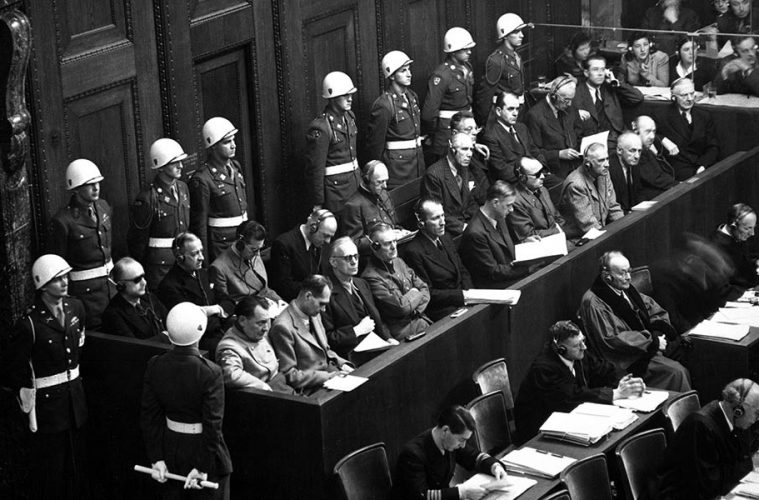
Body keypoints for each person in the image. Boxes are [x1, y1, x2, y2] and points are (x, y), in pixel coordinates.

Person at [4, 255, 87, 499]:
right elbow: (15, 368)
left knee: (77, 468)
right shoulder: (29, 324)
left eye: (65, 277)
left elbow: (79, 346)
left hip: (75, 402)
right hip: (49, 410)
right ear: (42, 285)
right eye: (57, 279)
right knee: (53, 472)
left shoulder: (76, 307)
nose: (64, 282)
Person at [140, 302, 233, 499]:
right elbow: (213, 424)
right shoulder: (211, 372)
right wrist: (202, 466)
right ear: (200, 332)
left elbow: (149, 416)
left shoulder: (155, 365)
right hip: (204, 454)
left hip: (170, 451)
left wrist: (157, 458)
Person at [514, 320, 645, 444]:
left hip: (569, 421)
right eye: (577, 345)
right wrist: (615, 394)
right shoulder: (544, 368)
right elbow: (571, 397)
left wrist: (627, 383)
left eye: (583, 341)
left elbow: (605, 369)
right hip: (536, 432)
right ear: (561, 349)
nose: (584, 347)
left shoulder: (578, 354)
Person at [578, 251, 692, 392]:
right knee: (677, 373)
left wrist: (658, 332)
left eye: (629, 271)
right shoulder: (594, 302)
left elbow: (653, 309)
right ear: (607, 276)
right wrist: (652, 342)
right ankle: (679, 405)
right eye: (622, 273)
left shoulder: (624, 289)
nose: (628, 277)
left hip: (645, 346)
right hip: (626, 360)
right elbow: (613, 339)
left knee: (693, 354)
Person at [655, 378, 759, 499]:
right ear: (738, 411)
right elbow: (710, 483)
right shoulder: (701, 426)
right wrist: (749, 464)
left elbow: (741, 456)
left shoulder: (736, 422)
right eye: (757, 413)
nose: (757, 419)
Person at [47, 159, 113, 328]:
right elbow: (58, 265)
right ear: (76, 189)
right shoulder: (63, 221)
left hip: (110, 287)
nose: (96, 188)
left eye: (97, 182)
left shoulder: (103, 207)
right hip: (86, 295)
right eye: (89, 184)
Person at [395, 405, 509, 500]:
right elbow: (422, 496)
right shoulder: (412, 454)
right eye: (461, 440)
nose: (463, 445)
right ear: (445, 430)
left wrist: (495, 466)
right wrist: (462, 492)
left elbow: (474, 457)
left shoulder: (450, 442)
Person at [269, 274, 353, 394]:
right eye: (321, 304)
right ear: (308, 296)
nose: (324, 309)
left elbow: (326, 351)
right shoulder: (282, 327)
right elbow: (290, 375)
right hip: (312, 389)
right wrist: (329, 377)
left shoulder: (314, 313)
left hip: (332, 375)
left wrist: (342, 364)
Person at [128, 138, 191, 290]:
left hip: (184, 260)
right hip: (160, 267)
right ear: (161, 166)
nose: (180, 166)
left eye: (180, 161)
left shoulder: (183, 188)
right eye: (174, 162)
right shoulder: (148, 197)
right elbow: (138, 242)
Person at [157, 233, 233, 354]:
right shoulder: (169, 286)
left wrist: (215, 309)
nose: (201, 257)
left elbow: (228, 301)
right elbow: (190, 322)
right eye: (195, 254)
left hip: (220, 328)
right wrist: (218, 312)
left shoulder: (203, 273)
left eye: (201, 251)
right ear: (180, 258)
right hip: (200, 341)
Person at [402, 199, 474, 321]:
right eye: (436, 218)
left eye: (442, 216)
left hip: (464, 297)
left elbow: (462, 270)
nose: (443, 222)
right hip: (444, 308)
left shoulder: (445, 237)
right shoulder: (413, 251)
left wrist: (470, 292)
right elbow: (428, 292)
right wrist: (462, 296)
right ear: (421, 223)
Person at [189, 117, 248, 263]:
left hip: (243, 238)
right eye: (227, 142)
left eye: (233, 140)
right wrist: (204, 260)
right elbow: (200, 225)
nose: (233, 145)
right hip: (221, 245)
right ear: (213, 146)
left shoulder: (235, 167)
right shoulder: (202, 178)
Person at [323, 237, 392, 359]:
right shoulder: (326, 294)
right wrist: (357, 330)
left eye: (356, 256)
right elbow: (329, 338)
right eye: (348, 258)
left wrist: (388, 338)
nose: (354, 262)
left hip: (379, 346)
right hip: (353, 356)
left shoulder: (362, 283)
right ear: (333, 262)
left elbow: (378, 318)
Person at [304, 71, 360, 216]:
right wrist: (318, 202)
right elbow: (315, 170)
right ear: (333, 97)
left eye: (350, 94)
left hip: (354, 186)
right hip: (336, 194)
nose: (350, 98)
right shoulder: (321, 127)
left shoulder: (349, 118)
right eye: (345, 95)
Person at [362, 222, 432, 339]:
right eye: (387, 243)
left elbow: (424, 288)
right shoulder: (371, 277)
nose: (394, 246)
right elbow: (400, 308)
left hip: (421, 320)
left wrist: (413, 309)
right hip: (403, 333)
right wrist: (414, 292)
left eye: (394, 241)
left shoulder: (398, 261)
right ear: (375, 247)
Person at [366, 50, 424, 190]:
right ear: (391, 75)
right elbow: (375, 145)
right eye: (403, 71)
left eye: (409, 69)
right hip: (398, 172)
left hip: (417, 166)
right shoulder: (384, 104)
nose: (409, 74)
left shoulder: (412, 97)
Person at [215, 296, 293, 393]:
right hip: (266, 394)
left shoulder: (254, 332)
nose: (266, 328)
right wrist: (262, 386)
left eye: (267, 321)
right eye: (261, 323)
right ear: (242, 320)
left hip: (283, 383)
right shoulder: (229, 346)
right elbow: (232, 375)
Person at [460, 180, 530, 288]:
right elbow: (492, 272)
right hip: (495, 286)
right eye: (509, 205)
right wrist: (527, 269)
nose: (511, 210)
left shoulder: (500, 217)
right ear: (495, 203)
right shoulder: (475, 233)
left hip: (509, 275)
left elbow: (508, 249)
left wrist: (525, 243)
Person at [524, 75, 584, 200]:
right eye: (566, 100)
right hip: (555, 170)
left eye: (571, 99)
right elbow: (534, 152)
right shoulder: (535, 115)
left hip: (576, 164)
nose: (570, 104)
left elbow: (580, 133)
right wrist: (559, 154)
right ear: (554, 96)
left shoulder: (569, 107)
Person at [422, 27, 476, 162]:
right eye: (465, 49)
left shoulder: (467, 67)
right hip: (447, 132)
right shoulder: (442, 75)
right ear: (453, 51)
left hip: (467, 129)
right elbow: (429, 113)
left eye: (469, 48)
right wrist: (435, 133)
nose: (469, 52)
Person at [655, 78, 720, 181]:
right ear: (674, 97)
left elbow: (713, 147)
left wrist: (703, 166)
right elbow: (646, 135)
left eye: (692, 93)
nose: (689, 99)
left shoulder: (704, 116)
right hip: (677, 170)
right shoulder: (661, 115)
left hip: (703, 166)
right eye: (684, 95)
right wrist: (663, 140)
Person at [573, 55, 644, 147]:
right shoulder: (576, 93)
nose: (600, 73)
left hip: (617, 137)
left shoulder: (611, 88)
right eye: (595, 69)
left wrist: (616, 83)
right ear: (586, 73)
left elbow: (637, 98)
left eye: (602, 69)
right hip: (593, 142)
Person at [422, 132, 485, 236]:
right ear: (451, 149)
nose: (469, 154)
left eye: (471, 149)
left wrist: (481, 220)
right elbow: (436, 213)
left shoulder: (463, 168)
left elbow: (470, 202)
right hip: (447, 229)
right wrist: (464, 227)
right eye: (464, 149)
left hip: (467, 223)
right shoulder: (433, 175)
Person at [209, 220, 283, 309]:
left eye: (259, 249)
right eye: (254, 249)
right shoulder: (219, 268)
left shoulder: (254, 251)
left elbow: (265, 289)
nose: (257, 254)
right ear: (240, 245)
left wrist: (281, 302)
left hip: (269, 302)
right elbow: (226, 305)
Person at [270, 208, 338, 301]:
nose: (328, 241)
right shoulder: (284, 244)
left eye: (330, 237)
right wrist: (316, 288)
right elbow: (284, 287)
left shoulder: (317, 243)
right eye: (326, 235)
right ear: (313, 227)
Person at [559, 142, 624, 238]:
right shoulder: (576, 184)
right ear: (588, 164)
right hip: (579, 238)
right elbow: (589, 225)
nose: (607, 164)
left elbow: (613, 207)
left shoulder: (604, 173)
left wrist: (624, 226)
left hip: (599, 230)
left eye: (607, 159)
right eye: (601, 161)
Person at [475, 12, 529, 124]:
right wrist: (485, 123)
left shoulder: (516, 56)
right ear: (505, 35)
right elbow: (485, 95)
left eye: (521, 31)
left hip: (519, 112)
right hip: (503, 116)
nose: (522, 35)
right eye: (516, 32)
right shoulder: (496, 60)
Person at [481, 91, 546, 184]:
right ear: (498, 111)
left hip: (536, 176)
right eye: (510, 109)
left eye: (517, 109)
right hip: (516, 183)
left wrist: (540, 171)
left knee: (561, 184)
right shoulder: (491, 136)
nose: (515, 113)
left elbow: (535, 152)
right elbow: (501, 170)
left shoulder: (522, 128)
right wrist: (530, 177)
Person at [340, 160, 402, 254]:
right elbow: (354, 243)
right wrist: (381, 240)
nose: (385, 186)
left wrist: (401, 231)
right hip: (374, 255)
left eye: (386, 181)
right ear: (366, 181)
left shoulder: (384, 194)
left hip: (394, 248)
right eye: (379, 182)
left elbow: (393, 223)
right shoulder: (353, 206)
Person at [102, 257, 168, 341]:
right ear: (121, 285)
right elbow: (133, 347)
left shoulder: (150, 298)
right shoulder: (113, 315)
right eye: (137, 280)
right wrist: (164, 337)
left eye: (143, 276)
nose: (144, 282)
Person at [508, 157, 568, 242]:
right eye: (537, 174)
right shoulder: (515, 201)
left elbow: (557, 217)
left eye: (542, 172)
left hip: (559, 238)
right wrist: (558, 230)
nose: (542, 176)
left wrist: (563, 230)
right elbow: (528, 235)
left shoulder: (543, 190)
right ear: (523, 178)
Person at [711, 203, 759, 290]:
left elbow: (743, 261)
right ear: (733, 226)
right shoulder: (716, 246)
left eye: (753, 228)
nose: (752, 233)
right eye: (747, 228)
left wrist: (755, 262)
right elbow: (724, 285)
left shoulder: (738, 235)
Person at [632, 115, 677, 201]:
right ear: (636, 131)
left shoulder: (646, 147)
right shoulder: (636, 151)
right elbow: (656, 179)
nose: (652, 136)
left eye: (654, 131)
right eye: (648, 131)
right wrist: (678, 185)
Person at [609, 131, 643, 214]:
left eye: (639, 151)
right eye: (632, 151)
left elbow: (638, 192)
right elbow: (611, 205)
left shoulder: (632, 162)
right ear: (619, 150)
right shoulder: (609, 169)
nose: (637, 156)